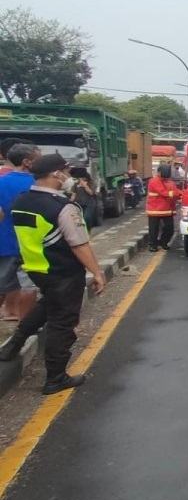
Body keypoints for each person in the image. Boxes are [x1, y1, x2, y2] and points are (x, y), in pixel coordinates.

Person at [0, 153, 106, 395]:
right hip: (63, 271)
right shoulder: (63, 208)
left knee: (48, 306)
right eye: (65, 172)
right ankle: (55, 378)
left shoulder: (21, 200)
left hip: (36, 268)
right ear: (56, 174)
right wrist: (96, 272)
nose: (67, 176)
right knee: (62, 323)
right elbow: (79, 244)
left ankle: (14, 343)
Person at [0, 143, 42, 322]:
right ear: (27, 162)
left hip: (5, 242)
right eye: (39, 159)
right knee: (28, 285)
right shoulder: (38, 184)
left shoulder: (1, 182)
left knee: (3, 285)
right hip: (31, 243)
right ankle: (24, 325)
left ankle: (10, 312)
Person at [147, 164, 178, 251]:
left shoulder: (170, 182)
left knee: (169, 229)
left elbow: (174, 194)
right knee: (153, 229)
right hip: (155, 209)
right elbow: (163, 193)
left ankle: (163, 242)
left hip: (167, 209)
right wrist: (177, 193)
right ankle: (153, 245)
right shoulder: (154, 181)